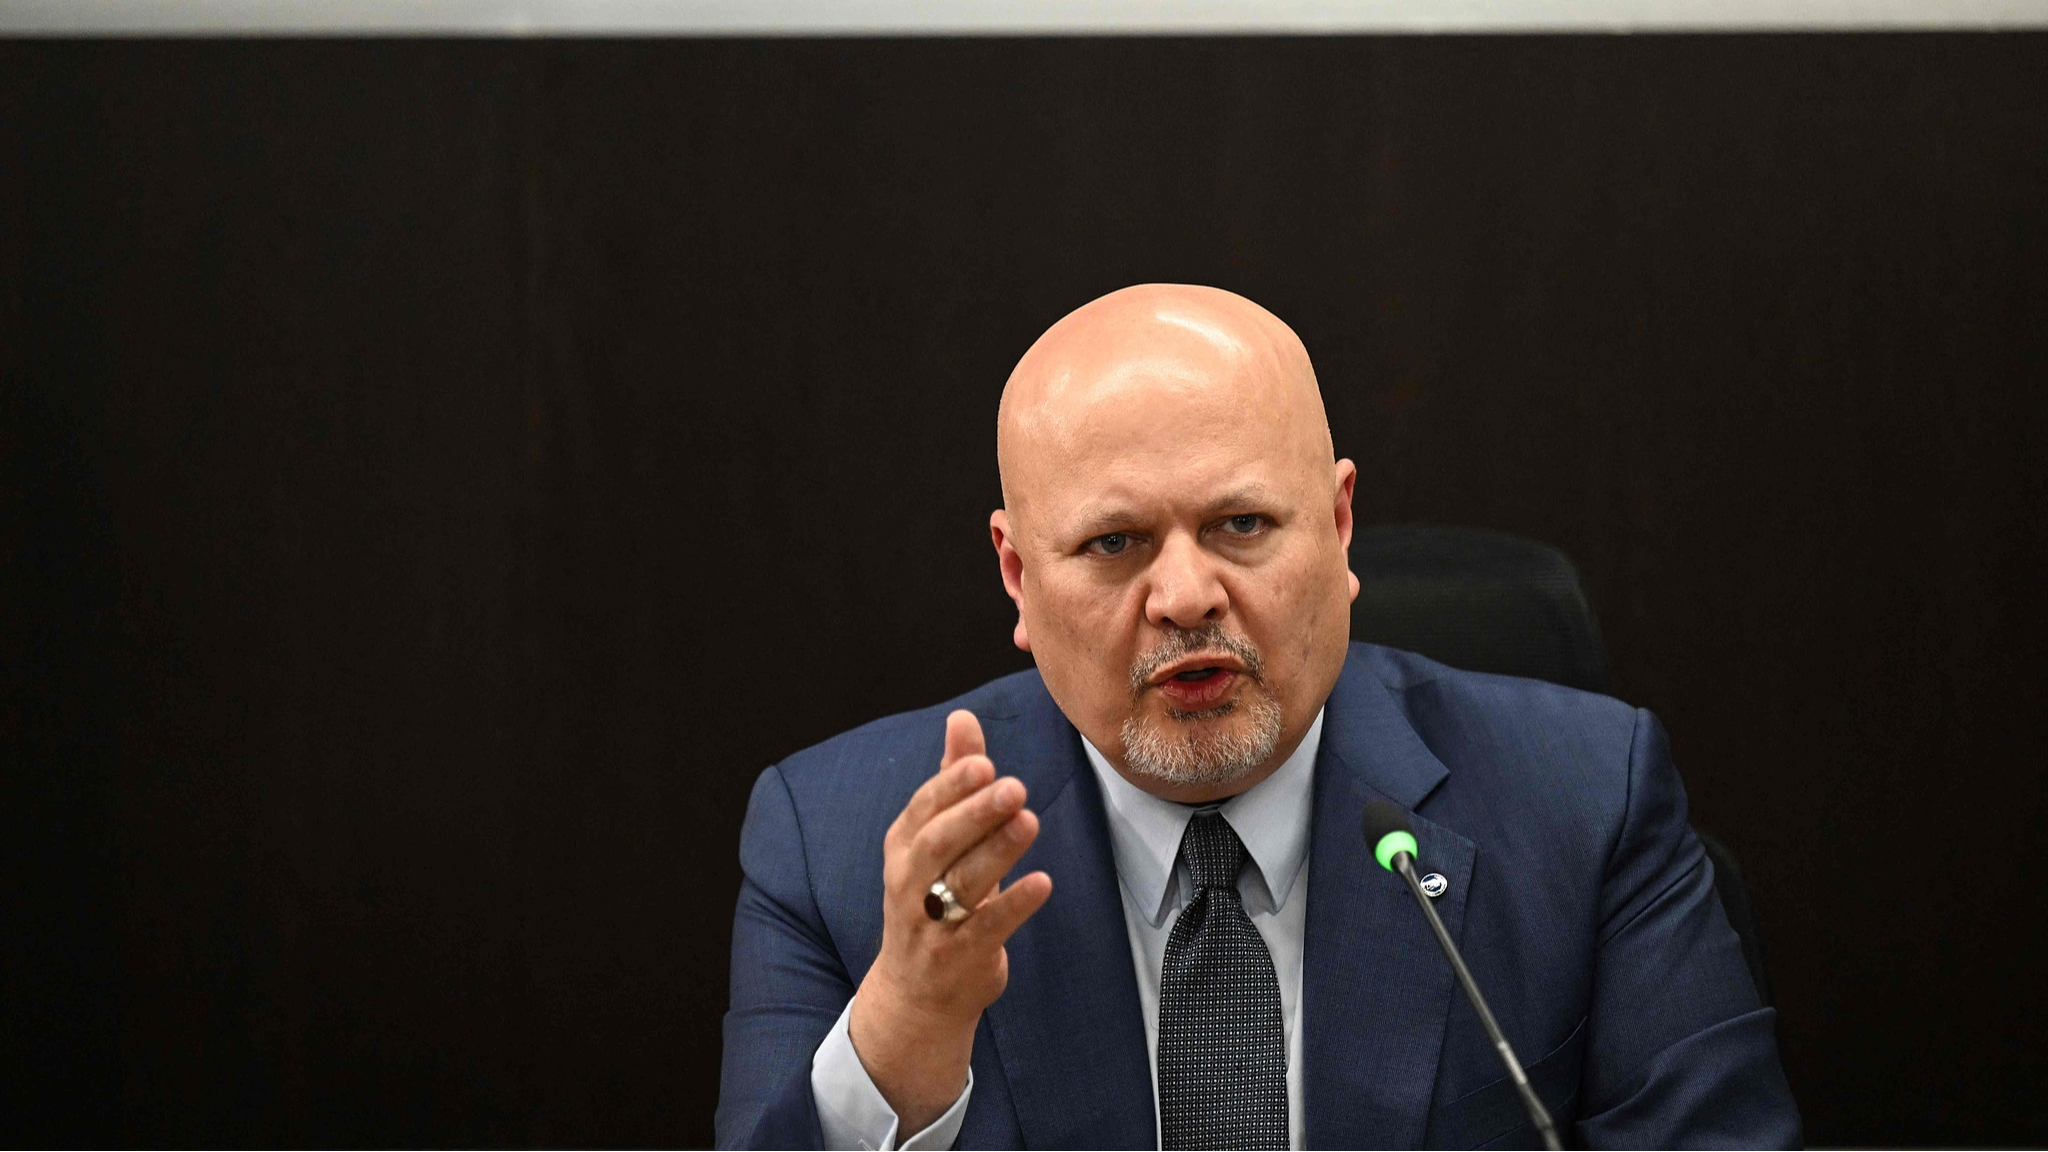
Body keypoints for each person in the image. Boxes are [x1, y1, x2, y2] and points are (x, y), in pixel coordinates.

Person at [715, 284, 1799, 1150]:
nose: (1184, 596)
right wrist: (903, 1035)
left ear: (1336, 527)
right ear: (1014, 576)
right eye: (1112, 543)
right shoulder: (833, 840)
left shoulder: (1583, 801)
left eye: (1239, 523)